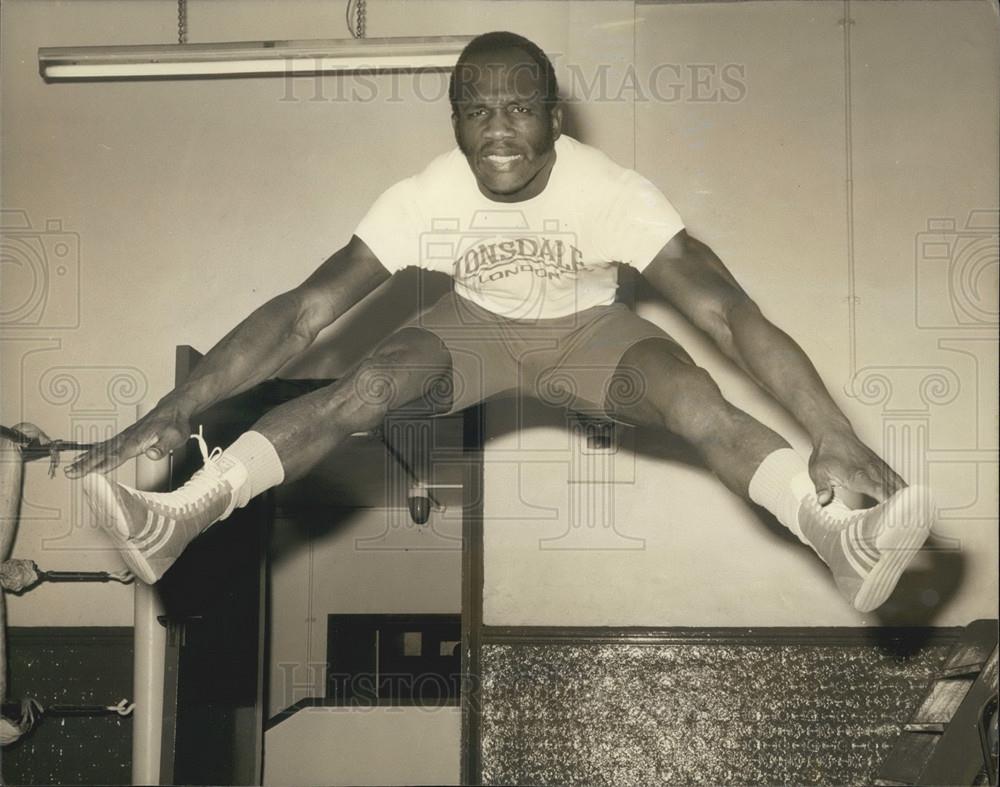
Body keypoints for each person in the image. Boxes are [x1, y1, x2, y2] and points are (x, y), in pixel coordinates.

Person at [68, 31, 934, 612]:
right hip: (471, 331)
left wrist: (828, 428)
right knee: (363, 383)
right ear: (455, 122)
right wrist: (176, 407)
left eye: (519, 109)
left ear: (554, 118)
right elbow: (302, 315)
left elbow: (727, 311)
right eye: (475, 112)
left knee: (693, 397)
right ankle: (179, 514)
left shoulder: (613, 195)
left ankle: (832, 531)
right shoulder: (426, 195)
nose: (498, 133)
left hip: (592, 333)